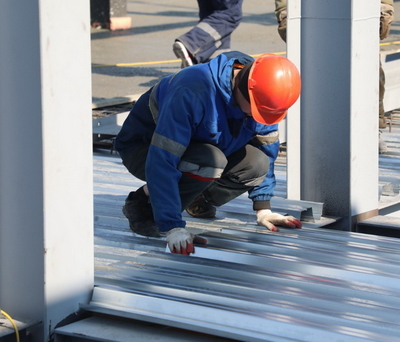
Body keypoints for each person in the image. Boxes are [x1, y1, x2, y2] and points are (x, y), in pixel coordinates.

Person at [114, 52, 302, 255]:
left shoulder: (263, 93)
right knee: (210, 161)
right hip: (145, 149)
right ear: (243, 89)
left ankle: (196, 199)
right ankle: (143, 204)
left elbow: (267, 150)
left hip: (203, 150)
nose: (259, 118)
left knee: (256, 165)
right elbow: (162, 161)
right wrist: (172, 226)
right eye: (257, 112)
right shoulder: (193, 90)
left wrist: (263, 208)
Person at [271, 0, 394, 153]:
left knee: (368, 67)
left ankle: (371, 128)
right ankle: (312, 132)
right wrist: (286, 9)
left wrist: (384, 6)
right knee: (313, 68)